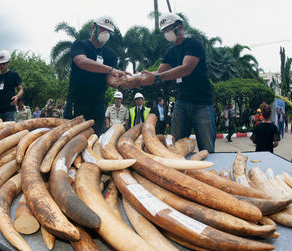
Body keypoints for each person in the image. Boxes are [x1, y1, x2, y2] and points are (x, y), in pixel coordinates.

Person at [139, 13, 216, 152]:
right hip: (181, 103)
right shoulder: (170, 51)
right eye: (164, 31)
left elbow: (186, 69)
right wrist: (136, 79)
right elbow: (159, 72)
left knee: (207, 149)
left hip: (202, 104)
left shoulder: (194, 44)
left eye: (168, 29)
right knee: (176, 146)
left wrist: (156, 78)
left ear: (179, 27)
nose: (166, 33)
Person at [63, 16, 130, 136]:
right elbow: (82, 62)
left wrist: (126, 81)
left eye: (109, 31)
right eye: (103, 29)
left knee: (95, 139)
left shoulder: (111, 55)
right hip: (76, 102)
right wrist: (110, 69)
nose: (106, 33)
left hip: (98, 105)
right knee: (70, 138)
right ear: (94, 28)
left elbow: (111, 80)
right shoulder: (80, 45)